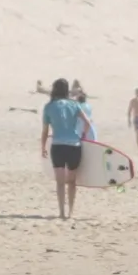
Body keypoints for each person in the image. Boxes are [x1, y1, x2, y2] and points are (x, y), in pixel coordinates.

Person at [42, 78, 93, 220]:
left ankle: (61, 212)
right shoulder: (75, 105)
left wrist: (43, 147)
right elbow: (88, 123)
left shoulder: (49, 107)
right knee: (71, 181)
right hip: (74, 146)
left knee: (60, 182)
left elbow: (45, 131)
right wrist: (82, 135)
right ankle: (71, 212)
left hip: (58, 146)